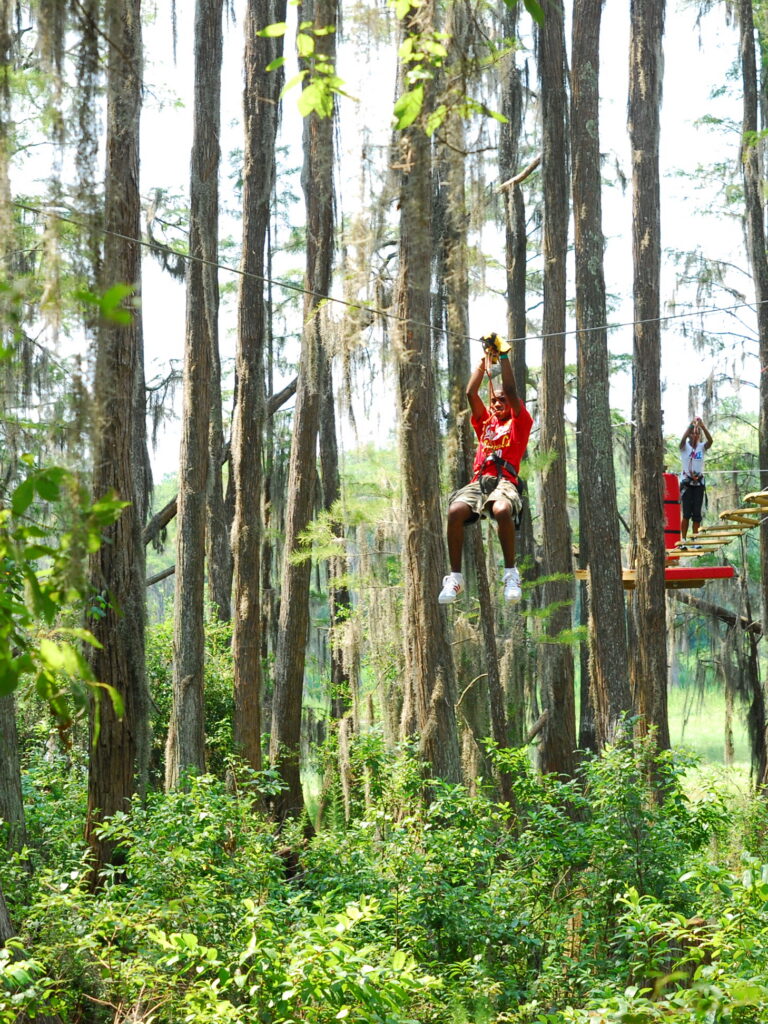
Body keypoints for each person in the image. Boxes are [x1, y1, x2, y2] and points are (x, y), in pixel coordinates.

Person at [438, 332, 533, 605]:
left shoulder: (519, 422)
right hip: (481, 480)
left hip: (505, 480)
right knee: (455, 511)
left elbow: (512, 392)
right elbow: (470, 392)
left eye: (502, 401)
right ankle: (455, 578)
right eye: (495, 401)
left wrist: (503, 357)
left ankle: (510, 573)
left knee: (502, 509)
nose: (497, 403)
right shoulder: (486, 424)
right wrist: (484, 361)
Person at [679, 415, 713, 545]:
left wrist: (702, 426)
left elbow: (711, 441)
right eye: (693, 434)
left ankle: (696, 539)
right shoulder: (684, 447)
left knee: (697, 514)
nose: (695, 435)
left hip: (698, 483)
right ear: (689, 435)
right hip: (687, 484)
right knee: (687, 513)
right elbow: (683, 439)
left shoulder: (701, 447)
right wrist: (691, 425)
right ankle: (684, 539)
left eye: (697, 434)